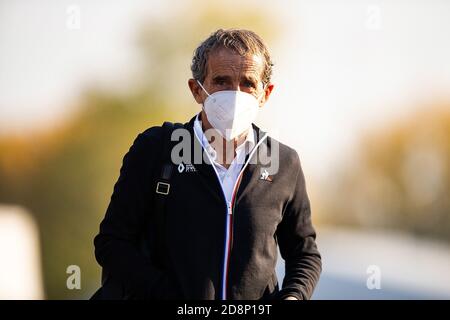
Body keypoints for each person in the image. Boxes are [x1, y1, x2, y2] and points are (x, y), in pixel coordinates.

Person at [93, 28, 322, 300]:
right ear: (197, 89)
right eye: (222, 81)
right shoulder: (156, 149)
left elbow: (304, 253)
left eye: (248, 83)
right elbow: (112, 243)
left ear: (266, 93)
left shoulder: (284, 163)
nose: (236, 94)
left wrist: (294, 296)